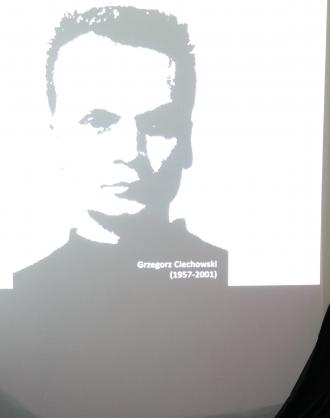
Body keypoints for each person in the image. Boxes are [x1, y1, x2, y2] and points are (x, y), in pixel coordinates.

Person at [14, 6, 227, 290]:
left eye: (156, 124)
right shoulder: (25, 287)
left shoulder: (229, 276)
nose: (129, 152)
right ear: (56, 140)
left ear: (186, 141)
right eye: (98, 122)